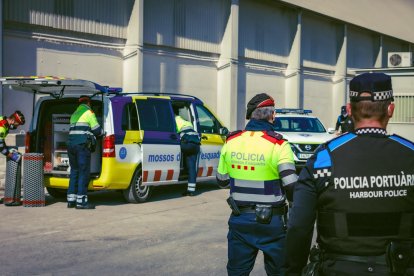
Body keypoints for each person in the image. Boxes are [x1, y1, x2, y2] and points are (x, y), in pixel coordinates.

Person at [285, 73, 414, 276]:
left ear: (348, 110)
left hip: (337, 268)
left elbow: (299, 226)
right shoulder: (410, 154)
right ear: (391, 109)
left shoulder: (323, 160)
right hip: (400, 267)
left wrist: (293, 271)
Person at [216, 93, 298, 275]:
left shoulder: (231, 141)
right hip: (273, 224)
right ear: (272, 115)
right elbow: (292, 184)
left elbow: (221, 181)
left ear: (251, 115)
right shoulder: (279, 144)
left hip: (240, 220)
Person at [67, 95, 104, 209]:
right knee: (84, 172)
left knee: (74, 171)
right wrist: (103, 132)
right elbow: (97, 130)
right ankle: (81, 202)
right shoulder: (89, 113)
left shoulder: (74, 114)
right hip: (82, 146)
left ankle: (71, 200)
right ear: (88, 103)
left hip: (71, 145)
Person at [173, 105, 201, 196]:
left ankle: (181, 170)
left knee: (181, 156)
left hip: (187, 142)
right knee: (192, 167)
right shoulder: (186, 121)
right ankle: (191, 190)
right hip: (195, 143)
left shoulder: (174, 120)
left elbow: (174, 133)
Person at [0, 110, 25, 204]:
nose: (17, 126)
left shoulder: (3, 120)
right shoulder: (2, 127)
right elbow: (0, 147)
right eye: (17, 124)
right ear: (13, 121)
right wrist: (12, 156)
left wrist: (8, 150)